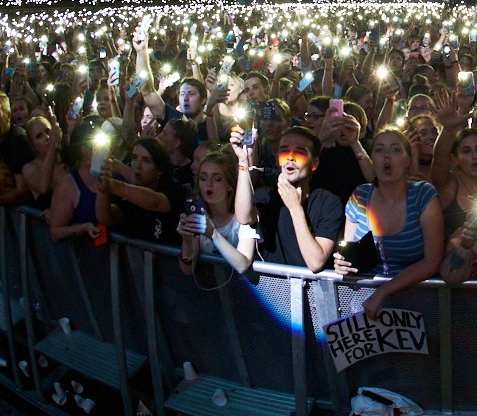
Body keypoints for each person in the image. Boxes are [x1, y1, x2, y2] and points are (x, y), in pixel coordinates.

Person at [333, 127, 444, 318]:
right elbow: (351, 252)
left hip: (416, 304)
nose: (387, 156)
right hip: (365, 303)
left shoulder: (423, 195)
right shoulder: (360, 196)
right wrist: (343, 264)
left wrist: (384, 292)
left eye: (395, 150)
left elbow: (432, 261)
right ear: (372, 159)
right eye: (379, 150)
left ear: (408, 160)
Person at [231, 125, 343, 272]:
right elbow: (244, 217)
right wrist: (243, 161)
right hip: (275, 290)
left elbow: (315, 262)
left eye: (300, 152)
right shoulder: (267, 196)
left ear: (314, 164)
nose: (290, 157)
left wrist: (295, 208)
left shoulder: (329, 202)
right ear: (278, 160)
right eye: (284, 151)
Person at [95, 136, 182, 245]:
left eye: (146, 160)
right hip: (137, 260)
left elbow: (155, 202)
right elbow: (106, 218)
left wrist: (112, 184)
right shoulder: (128, 193)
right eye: (135, 158)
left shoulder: (172, 189)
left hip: (167, 260)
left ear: (159, 169)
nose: (138, 165)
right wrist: (102, 189)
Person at [176, 150, 249, 274]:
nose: (208, 184)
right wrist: (187, 241)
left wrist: (212, 233)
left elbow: (243, 265)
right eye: (203, 178)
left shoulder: (245, 216)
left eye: (217, 179)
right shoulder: (200, 216)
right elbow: (187, 269)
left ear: (229, 185)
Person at [48, 120, 102, 242]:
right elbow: (55, 232)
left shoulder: (111, 174)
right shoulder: (67, 185)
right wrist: (83, 228)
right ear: (85, 150)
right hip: (85, 255)